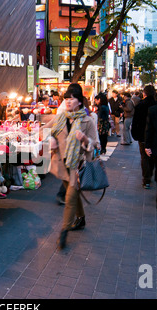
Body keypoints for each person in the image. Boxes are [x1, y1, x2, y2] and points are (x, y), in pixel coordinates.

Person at [47, 86, 98, 249]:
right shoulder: (61, 117)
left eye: (72, 98)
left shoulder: (87, 121)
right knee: (73, 195)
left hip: (77, 166)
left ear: (79, 101)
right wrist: (52, 140)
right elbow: (48, 131)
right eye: (66, 98)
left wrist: (84, 139)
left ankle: (64, 232)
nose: (68, 101)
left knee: (69, 198)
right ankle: (81, 218)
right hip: (61, 165)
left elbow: (96, 145)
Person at [131, 85, 157, 189]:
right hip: (154, 135)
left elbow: (136, 121)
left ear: (144, 93)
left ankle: (146, 178)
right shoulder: (156, 105)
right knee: (151, 155)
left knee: (144, 157)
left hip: (142, 135)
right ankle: (150, 173)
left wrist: (135, 134)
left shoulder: (140, 105)